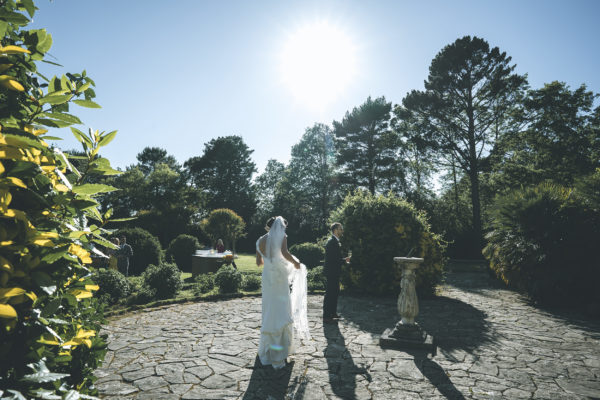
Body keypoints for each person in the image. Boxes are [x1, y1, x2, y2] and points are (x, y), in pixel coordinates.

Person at [256, 216, 310, 369]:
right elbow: (285, 252)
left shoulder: (259, 240)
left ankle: (267, 349)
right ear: (279, 227)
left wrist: (269, 260)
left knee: (269, 309)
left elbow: (258, 262)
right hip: (279, 277)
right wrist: (295, 263)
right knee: (280, 309)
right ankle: (279, 353)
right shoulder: (282, 237)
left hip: (267, 278)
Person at [323, 222, 350, 323]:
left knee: (335, 292)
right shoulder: (332, 242)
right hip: (331, 272)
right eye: (340, 229)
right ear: (335, 230)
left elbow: (335, 258)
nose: (342, 230)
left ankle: (333, 313)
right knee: (330, 293)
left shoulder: (335, 241)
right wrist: (344, 260)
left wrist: (343, 259)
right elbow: (333, 259)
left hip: (334, 271)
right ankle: (326, 316)